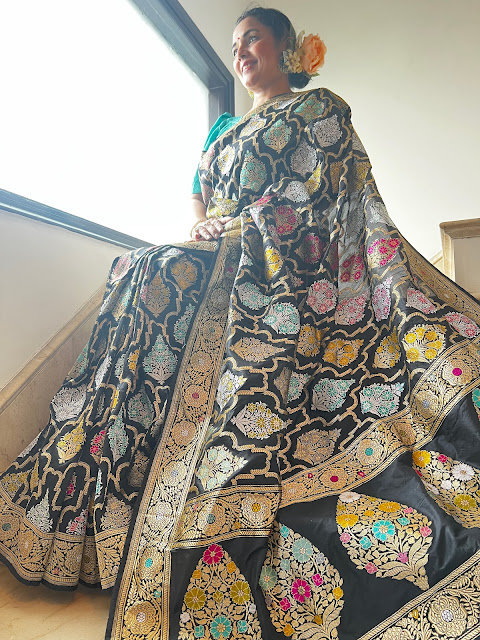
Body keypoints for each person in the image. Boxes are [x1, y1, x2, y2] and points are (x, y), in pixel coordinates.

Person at [1, 7, 480, 639]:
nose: (240, 52)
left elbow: (331, 196)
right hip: (219, 246)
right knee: (142, 268)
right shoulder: (225, 129)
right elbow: (197, 187)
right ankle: (99, 511)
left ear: (287, 48)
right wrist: (200, 222)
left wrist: (252, 226)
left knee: (160, 273)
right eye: (233, 45)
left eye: (252, 38)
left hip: (276, 265)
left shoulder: (317, 110)